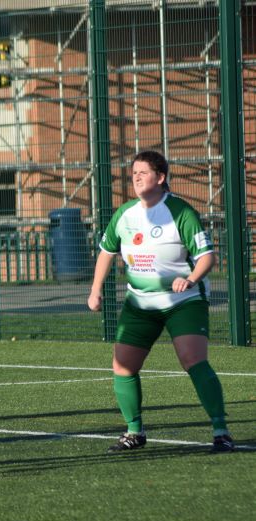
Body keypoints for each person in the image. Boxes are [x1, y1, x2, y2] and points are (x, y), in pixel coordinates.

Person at [88, 150, 233, 453]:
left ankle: (221, 430)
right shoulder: (125, 213)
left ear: (161, 177)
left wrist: (191, 279)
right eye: (133, 173)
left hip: (183, 301)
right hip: (140, 304)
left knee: (193, 360)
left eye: (143, 172)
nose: (136, 177)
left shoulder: (181, 211)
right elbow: (106, 251)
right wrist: (96, 289)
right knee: (123, 366)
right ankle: (134, 432)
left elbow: (207, 256)